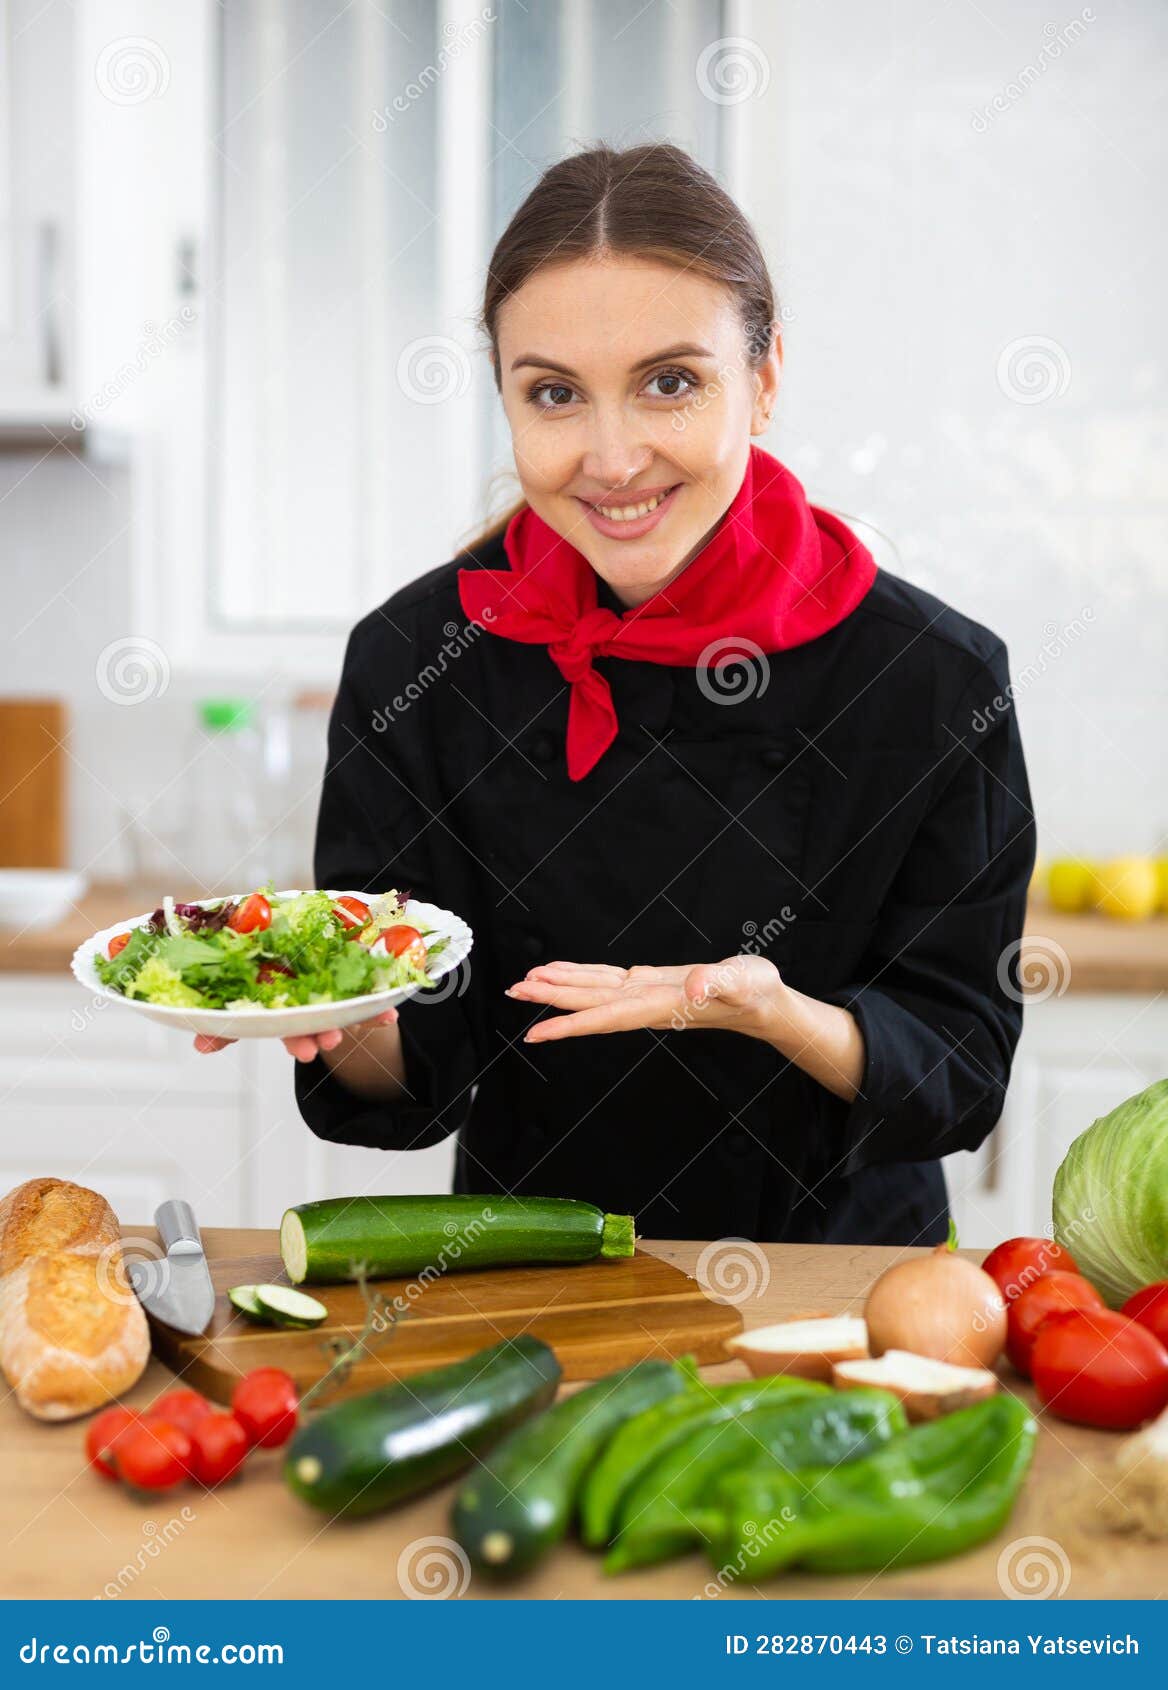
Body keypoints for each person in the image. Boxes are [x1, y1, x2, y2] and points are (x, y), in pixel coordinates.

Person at [198, 142, 1035, 1247]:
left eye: (670, 382)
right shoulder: (416, 663)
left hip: (836, 1290)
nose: (611, 455)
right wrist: (335, 1018)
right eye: (554, 394)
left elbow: (960, 1068)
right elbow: (416, 1071)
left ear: (766, 378)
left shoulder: (930, 677)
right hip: (525, 1270)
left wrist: (770, 1012)